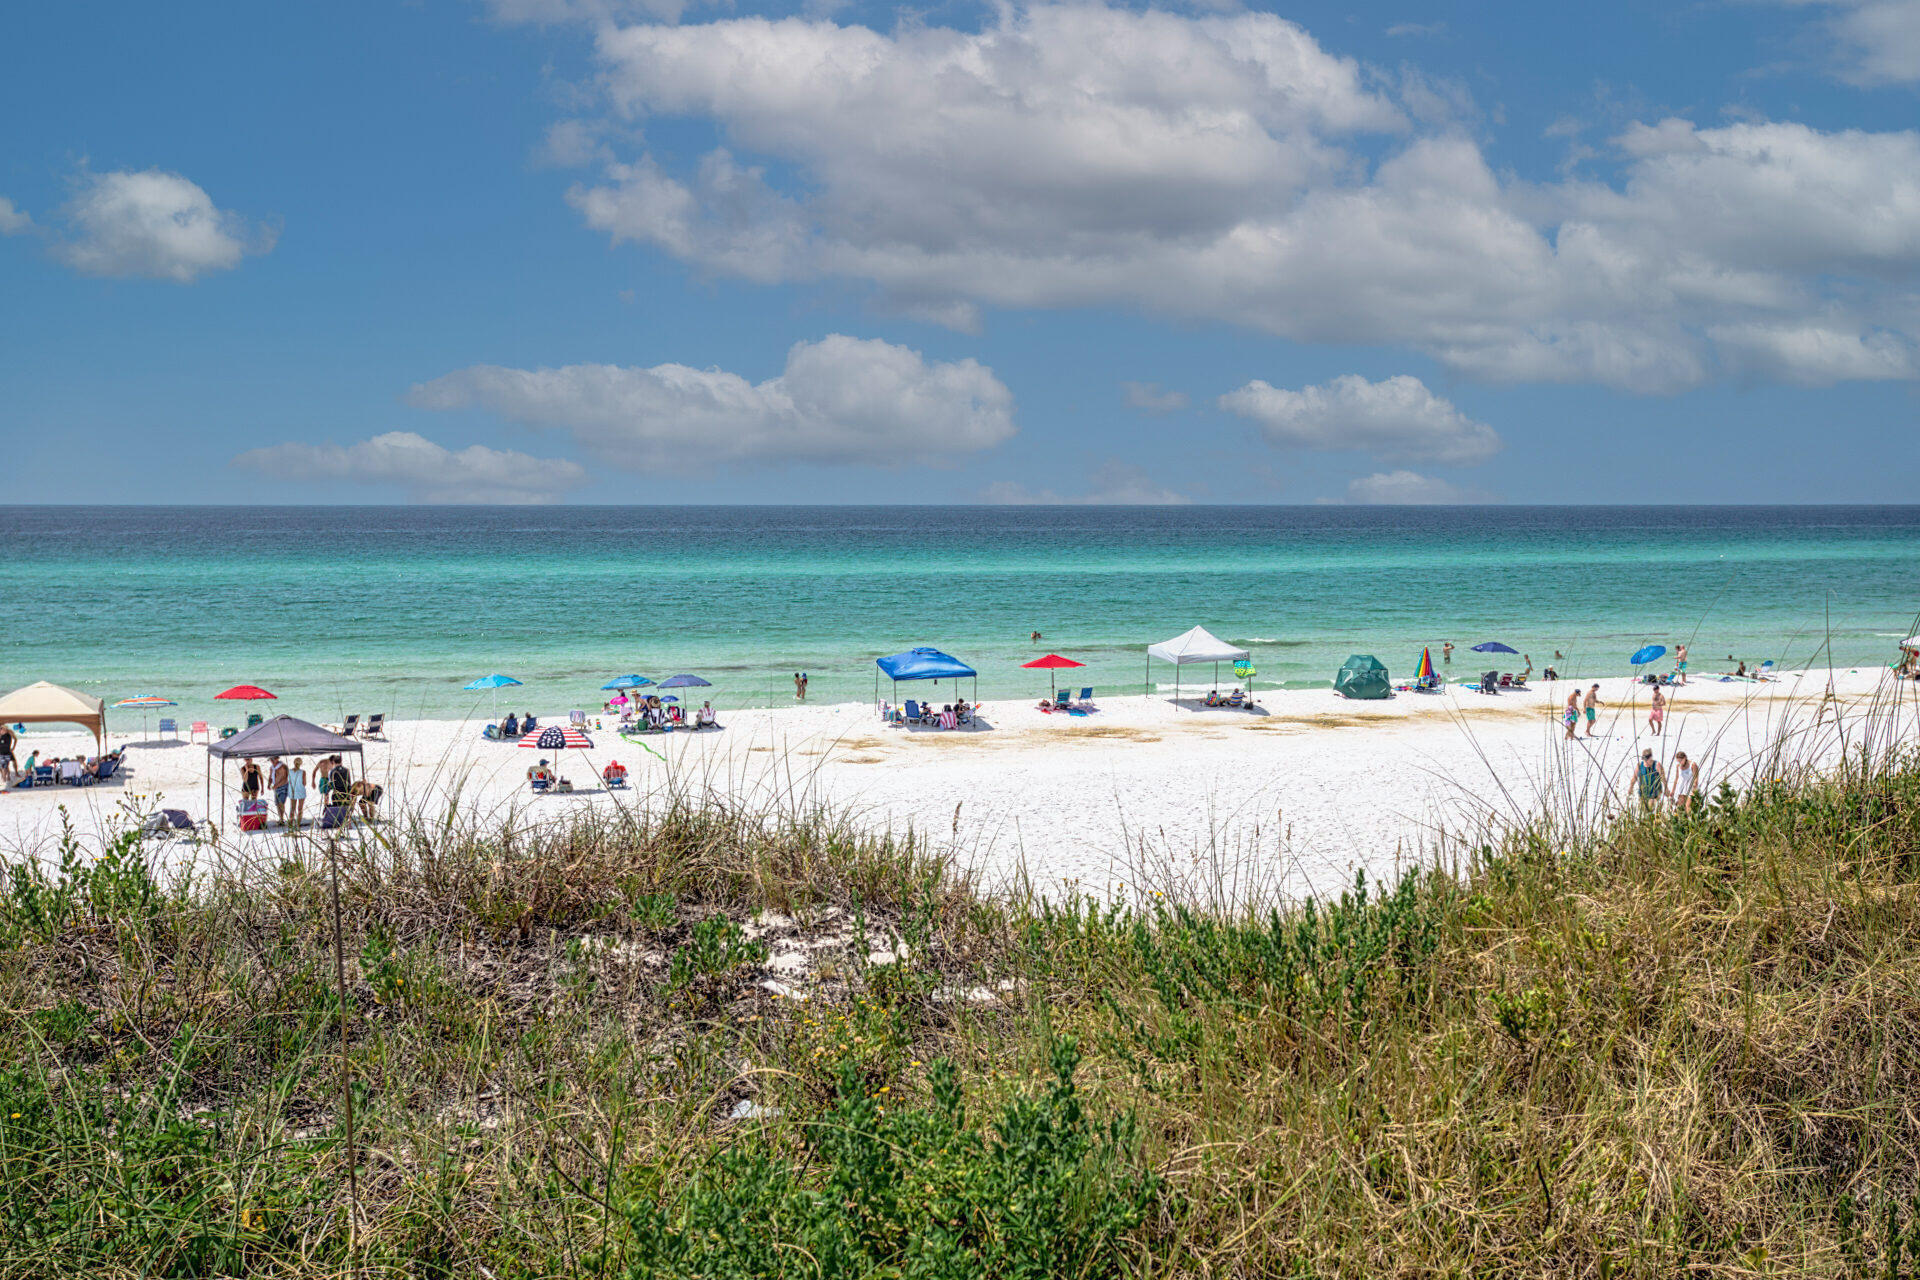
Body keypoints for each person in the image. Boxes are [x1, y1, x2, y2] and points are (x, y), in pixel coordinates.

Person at [287, 757, 308, 830]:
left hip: (292, 791)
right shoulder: (303, 772)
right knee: (300, 808)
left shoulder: (289, 771)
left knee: (292, 808)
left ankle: (290, 824)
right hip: (301, 790)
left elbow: (288, 781)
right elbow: (304, 783)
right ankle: (298, 824)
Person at [270, 755, 289, 825]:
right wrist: (269, 784)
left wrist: (276, 785)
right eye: (271, 759)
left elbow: (285, 778)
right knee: (277, 804)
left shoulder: (283, 767)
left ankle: (282, 818)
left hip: (283, 786)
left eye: (273, 759)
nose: (272, 761)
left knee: (281, 803)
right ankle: (280, 818)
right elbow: (270, 776)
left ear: (277, 759)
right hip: (276, 787)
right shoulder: (272, 768)